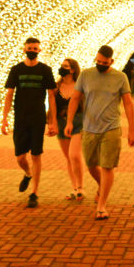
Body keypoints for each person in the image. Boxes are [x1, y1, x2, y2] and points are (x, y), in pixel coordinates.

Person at [65, 45, 134, 220]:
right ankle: (102, 186)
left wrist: (132, 129)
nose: (101, 65)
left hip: (111, 128)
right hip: (89, 127)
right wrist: (69, 122)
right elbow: (75, 98)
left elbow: (128, 103)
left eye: (104, 63)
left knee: (107, 166)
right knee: (91, 165)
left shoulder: (120, 77)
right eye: (98, 61)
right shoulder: (86, 75)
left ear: (111, 61)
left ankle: (101, 205)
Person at [1, 37, 57, 208]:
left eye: (35, 48)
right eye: (29, 48)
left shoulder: (45, 70)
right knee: (20, 157)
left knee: (36, 154)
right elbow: (9, 94)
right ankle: (28, 173)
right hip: (20, 118)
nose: (32, 51)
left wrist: (52, 121)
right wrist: (4, 119)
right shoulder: (16, 70)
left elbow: (51, 96)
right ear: (24, 49)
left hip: (38, 117)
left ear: (39, 50)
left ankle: (35, 193)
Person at [55, 58, 85, 201]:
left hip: (78, 123)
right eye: (62, 66)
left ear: (72, 69)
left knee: (74, 155)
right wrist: (52, 123)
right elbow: (53, 107)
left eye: (65, 66)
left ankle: (80, 187)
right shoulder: (57, 86)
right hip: (61, 123)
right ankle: (74, 188)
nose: (62, 68)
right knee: (68, 157)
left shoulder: (80, 86)